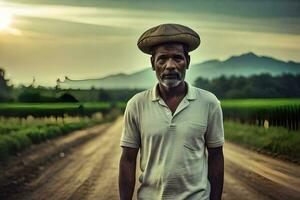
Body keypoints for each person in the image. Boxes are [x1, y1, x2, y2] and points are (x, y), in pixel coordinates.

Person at [119, 23, 224, 200]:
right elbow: (128, 160)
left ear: (187, 62)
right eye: (162, 59)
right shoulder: (136, 104)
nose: (170, 66)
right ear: (153, 63)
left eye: (177, 58)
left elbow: (216, 156)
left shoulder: (209, 102)